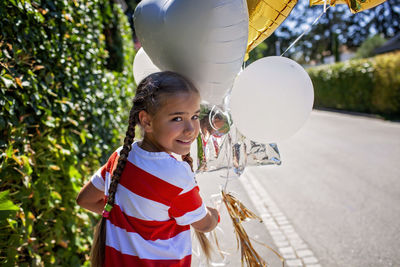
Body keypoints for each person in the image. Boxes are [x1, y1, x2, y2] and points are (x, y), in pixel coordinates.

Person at [76, 71, 220, 266]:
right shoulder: (175, 176)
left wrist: (130, 222)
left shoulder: (120, 156)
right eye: (177, 118)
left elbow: (85, 199)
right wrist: (214, 214)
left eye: (195, 116)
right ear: (146, 121)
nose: (190, 129)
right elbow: (204, 224)